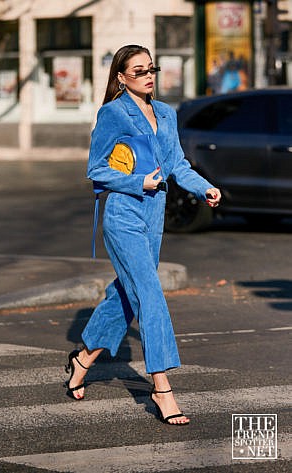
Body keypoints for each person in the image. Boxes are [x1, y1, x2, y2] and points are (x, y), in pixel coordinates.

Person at [65, 45, 221, 425]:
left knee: (128, 293)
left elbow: (177, 164)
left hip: (155, 216)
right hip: (123, 213)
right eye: (138, 71)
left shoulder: (166, 113)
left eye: (152, 68)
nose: (149, 75)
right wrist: (138, 181)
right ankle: (162, 387)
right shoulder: (113, 113)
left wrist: (204, 187)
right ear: (121, 77)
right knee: (149, 292)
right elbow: (96, 169)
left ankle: (83, 357)